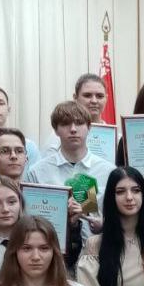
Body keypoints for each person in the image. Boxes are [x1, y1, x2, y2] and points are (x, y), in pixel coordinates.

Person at [26, 101, 118, 251]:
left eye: (79, 123)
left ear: (89, 127)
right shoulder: (37, 172)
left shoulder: (108, 172)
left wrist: (103, 225)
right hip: (52, 253)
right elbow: (29, 221)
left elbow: (118, 219)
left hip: (97, 253)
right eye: (65, 124)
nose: (73, 129)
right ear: (56, 130)